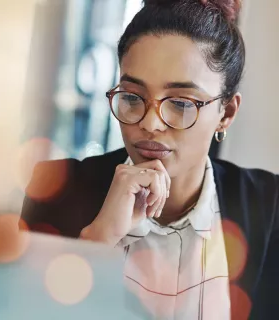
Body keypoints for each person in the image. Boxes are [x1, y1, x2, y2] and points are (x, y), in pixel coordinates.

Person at [21, 0, 279, 318]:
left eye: (182, 103)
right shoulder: (58, 189)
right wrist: (96, 240)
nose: (150, 123)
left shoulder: (270, 206)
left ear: (226, 113)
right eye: (132, 97)